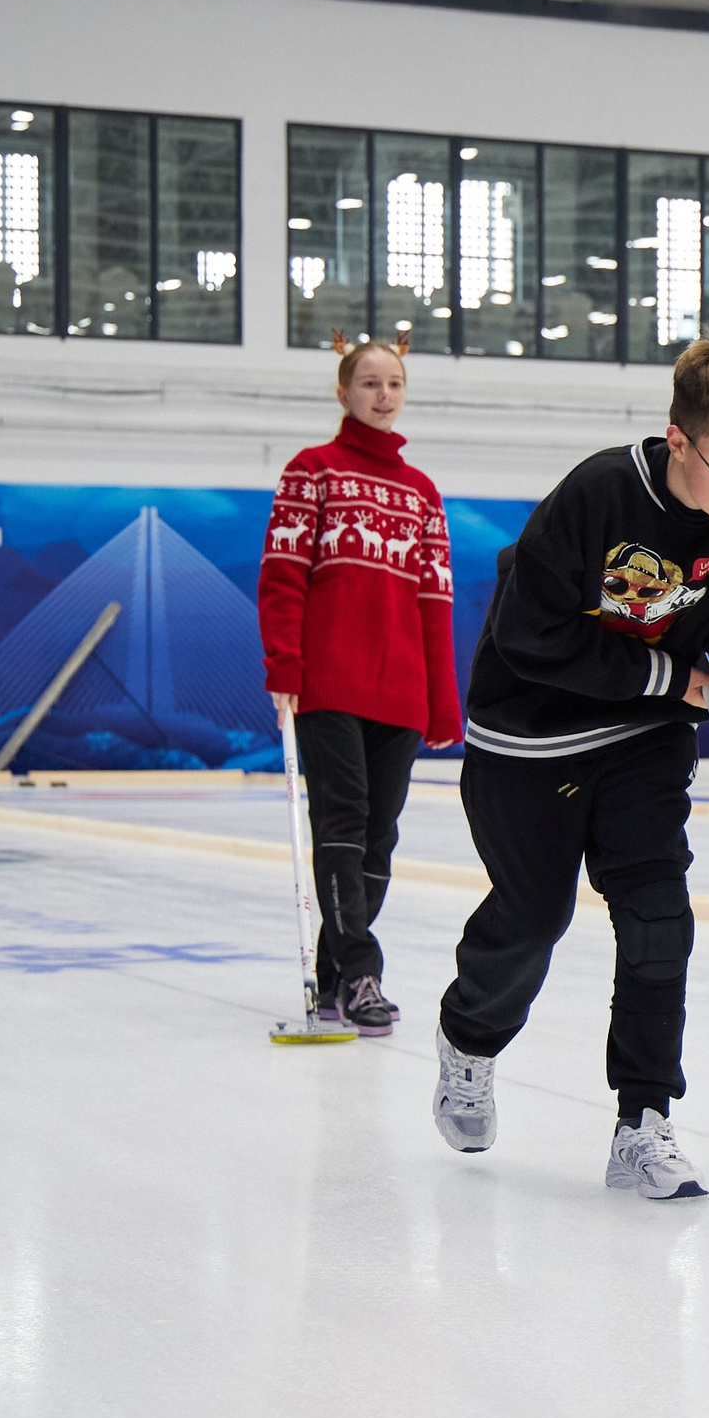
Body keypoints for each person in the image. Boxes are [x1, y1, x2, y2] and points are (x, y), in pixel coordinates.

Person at [431, 333, 709, 1201]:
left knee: (657, 920)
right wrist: (668, 676)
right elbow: (529, 637)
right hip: (527, 740)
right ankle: (468, 1039)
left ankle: (643, 1119)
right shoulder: (597, 495)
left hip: (642, 742)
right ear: (678, 440)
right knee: (533, 920)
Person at [258, 335, 462, 1036]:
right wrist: (283, 664)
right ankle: (364, 970)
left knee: (379, 839)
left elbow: (435, 604)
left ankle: (333, 979)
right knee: (342, 825)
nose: (383, 395)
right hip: (329, 684)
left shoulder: (423, 493)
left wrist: (443, 701)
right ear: (343, 392)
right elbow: (282, 578)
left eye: (394, 384)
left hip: (400, 691)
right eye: (369, 383)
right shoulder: (310, 472)